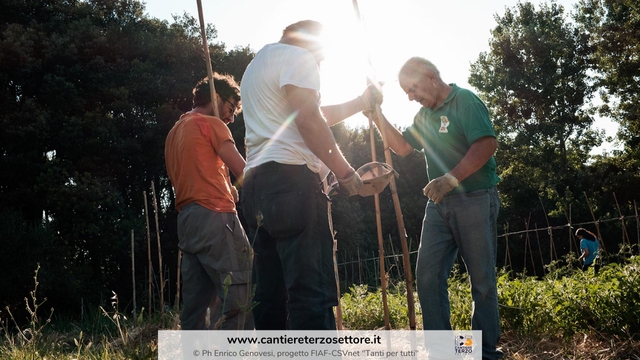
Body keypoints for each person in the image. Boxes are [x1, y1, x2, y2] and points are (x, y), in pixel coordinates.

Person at [239, 20, 381, 330]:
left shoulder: (257, 65)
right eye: (322, 57)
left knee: (270, 296)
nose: (320, 64)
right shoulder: (299, 57)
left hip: (254, 188)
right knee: (311, 296)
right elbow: (309, 121)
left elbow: (312, 113)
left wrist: (360, 103)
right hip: (292, 186)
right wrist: (347, 176)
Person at [370, 57, 502, 359]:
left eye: (412, 88)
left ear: (431, 76)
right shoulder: (424, 116)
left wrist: (451, 177)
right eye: (406, 92)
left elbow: (486, 144)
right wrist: (377, 114)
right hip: (439, 204)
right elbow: (403, 147)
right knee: (427, 276)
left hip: (475, 198)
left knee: (481, 280)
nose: (410, 96)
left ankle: (484, 352)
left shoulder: (464, 100)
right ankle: (444, 352)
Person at [164, 73, 253, 330]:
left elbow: (194, 176)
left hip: (188, 221)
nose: (231, 117)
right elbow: (243, 172)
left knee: (195, 307)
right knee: (239, 295)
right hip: (217, 218)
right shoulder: (212, 124)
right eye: (230, 107)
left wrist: (228, 188)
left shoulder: (174, 133)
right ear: (215, 98)